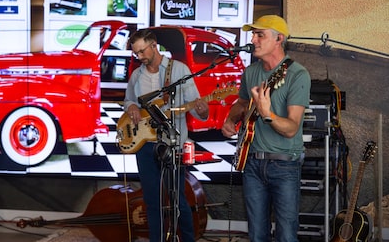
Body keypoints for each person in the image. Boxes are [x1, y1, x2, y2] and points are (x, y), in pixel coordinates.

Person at [221, 15, 311, 242]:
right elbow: (241, 104)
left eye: (259, 34)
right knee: (257, 234)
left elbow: (291, 128)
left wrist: (267, 114)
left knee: (286, 234)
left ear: (279, 39)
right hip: (252, 163)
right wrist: (231, 119)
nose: (253, 39)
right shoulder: (250, 72)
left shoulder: (297, 74)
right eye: (253, 34)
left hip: (284, 165)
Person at [123, 29, 209, 242]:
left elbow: (197, 108)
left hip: (172, 144)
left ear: (154, 45)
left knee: (178, 199)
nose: (140, 57)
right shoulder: (137, 75)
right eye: (136, 53)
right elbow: (128, 100)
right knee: (152, 201)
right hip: (144, 145)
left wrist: (203, 109)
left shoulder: (179, 70)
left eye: (142, 51)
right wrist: (132, 106)